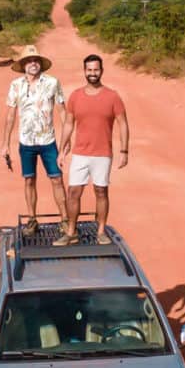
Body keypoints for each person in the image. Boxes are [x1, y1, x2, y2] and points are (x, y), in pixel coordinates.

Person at [53, 53, 129, 246]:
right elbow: (68, 124)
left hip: (102, 154)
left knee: (101, 191)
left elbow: (123, 124)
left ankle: (101, 231)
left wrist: (124, 151)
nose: (93, 73)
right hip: (80, 153)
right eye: (89, 70)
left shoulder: (112, 96)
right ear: (84, 71)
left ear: (101, 71)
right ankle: (71, 232)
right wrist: (62, 151)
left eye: (96, 70)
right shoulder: (76, 96)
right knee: (73, 192)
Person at [0, 45, 68, 235]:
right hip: (26, 142)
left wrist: (67, 140)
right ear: (23, 65)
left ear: (41, 64)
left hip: (48, 141)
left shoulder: (53, 82)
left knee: (57, 179)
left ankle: (64, 219)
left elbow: (63, 112)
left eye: (36, 60)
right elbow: (10, 116)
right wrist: (5, 143)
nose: (33, 64)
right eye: (29, 61)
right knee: (29, 180)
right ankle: (32, 220)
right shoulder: (15, 85)